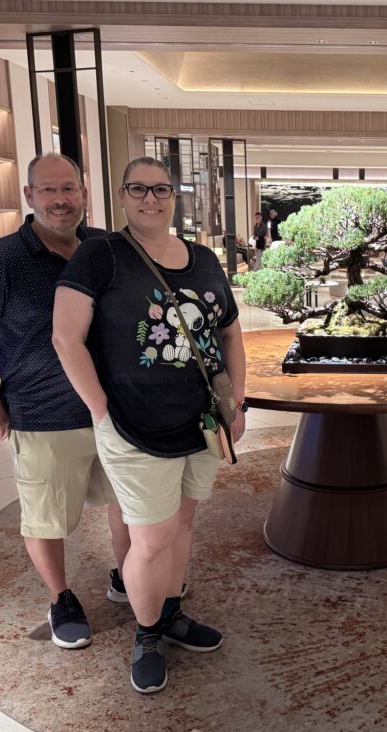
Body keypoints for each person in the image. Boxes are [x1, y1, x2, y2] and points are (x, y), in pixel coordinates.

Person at [52, 156, 247, 694]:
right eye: (138, 188)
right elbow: (65, 338)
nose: (151, 199)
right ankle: (147, 633)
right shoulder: (100, 255)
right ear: (120, 196)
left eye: (161, 189)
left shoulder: (204, 259)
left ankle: (170, 612)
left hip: (201, 422)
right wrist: (99, 409)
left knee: (182, 524)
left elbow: (229, 332)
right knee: (152, 536)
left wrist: (239, 402)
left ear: (174, 196)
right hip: (134, 424)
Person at [0, 152, 125, 651]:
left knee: (131, 503)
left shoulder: (106, 247)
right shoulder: (1, 262)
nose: (61, 200)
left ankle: (129, 575)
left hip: (117, 409)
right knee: (46, 516)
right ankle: (61, 597)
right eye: (49, 190)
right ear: (29, 196)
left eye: (70, 189)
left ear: (84, 192)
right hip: (46, 415)